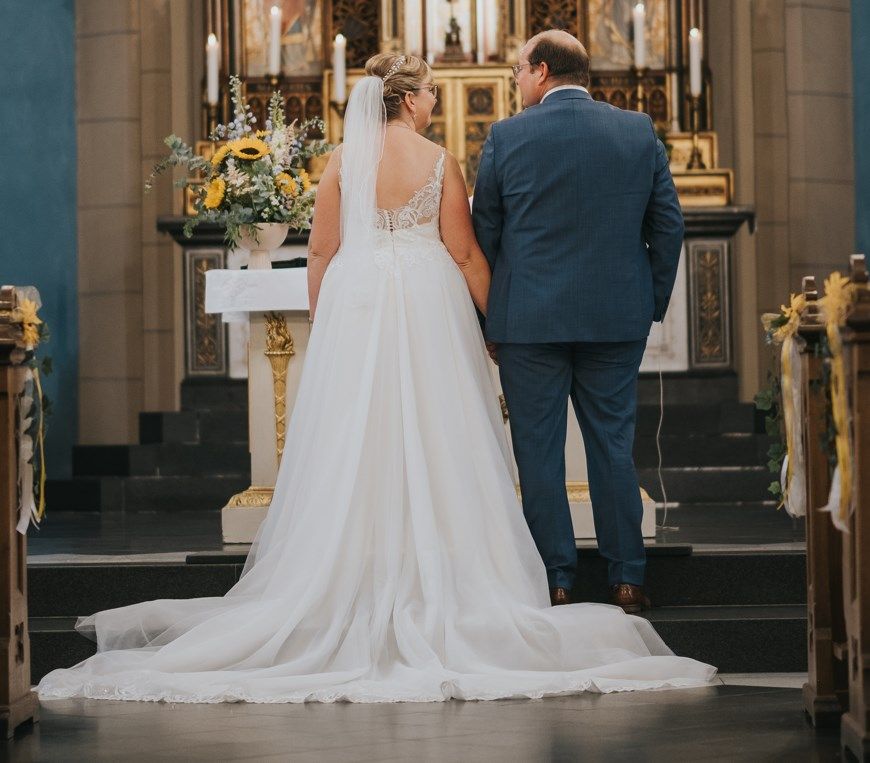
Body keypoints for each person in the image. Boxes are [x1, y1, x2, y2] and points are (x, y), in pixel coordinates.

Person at [38, 51, 713, 704]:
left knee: (372, 446)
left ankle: (526, 577)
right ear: (409, 97)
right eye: (428, 92)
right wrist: (494, 321)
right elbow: (468, 251)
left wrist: (333, 325)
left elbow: (323, 252)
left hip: (364, 312)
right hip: (447, 310)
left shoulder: (343, 161)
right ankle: (605, 578)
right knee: (470, 438)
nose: (436, 99)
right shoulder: (445, 160)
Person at [472, 30, 685, 612]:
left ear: (541, 71)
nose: (515, 81)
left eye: (517, 70)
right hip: (615, 318)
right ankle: (627, 580)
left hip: (528, 322)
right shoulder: (636, 130)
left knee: (537, 453)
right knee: (613, 449)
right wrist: (649, 304)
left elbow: (483, 232)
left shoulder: (507, 137)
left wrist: (489, 317)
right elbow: (667, 226)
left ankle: (556, 580)